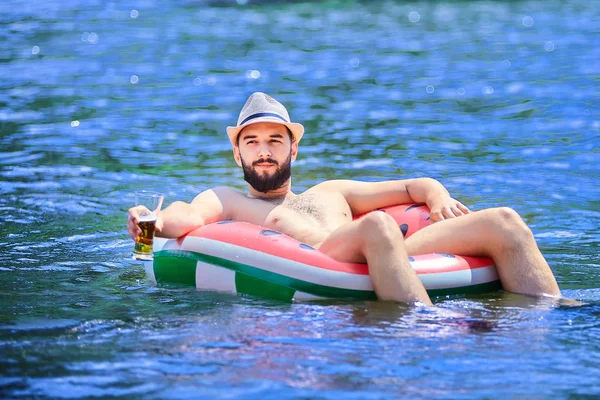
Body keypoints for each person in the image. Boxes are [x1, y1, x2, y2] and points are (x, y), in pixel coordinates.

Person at [127, 92, 562, 305]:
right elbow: (185, 216)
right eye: (253, 142)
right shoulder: (228, 200)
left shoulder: (332, 191)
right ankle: (423, 330)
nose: (264, 151)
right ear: (237, 152)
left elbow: (416, 185)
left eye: (275, 141)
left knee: (504, 220)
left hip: (387, 250)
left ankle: (560, 321)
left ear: (292, 149)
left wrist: (438, 199)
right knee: (377, 225)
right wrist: (149, 223)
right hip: (330, 259)